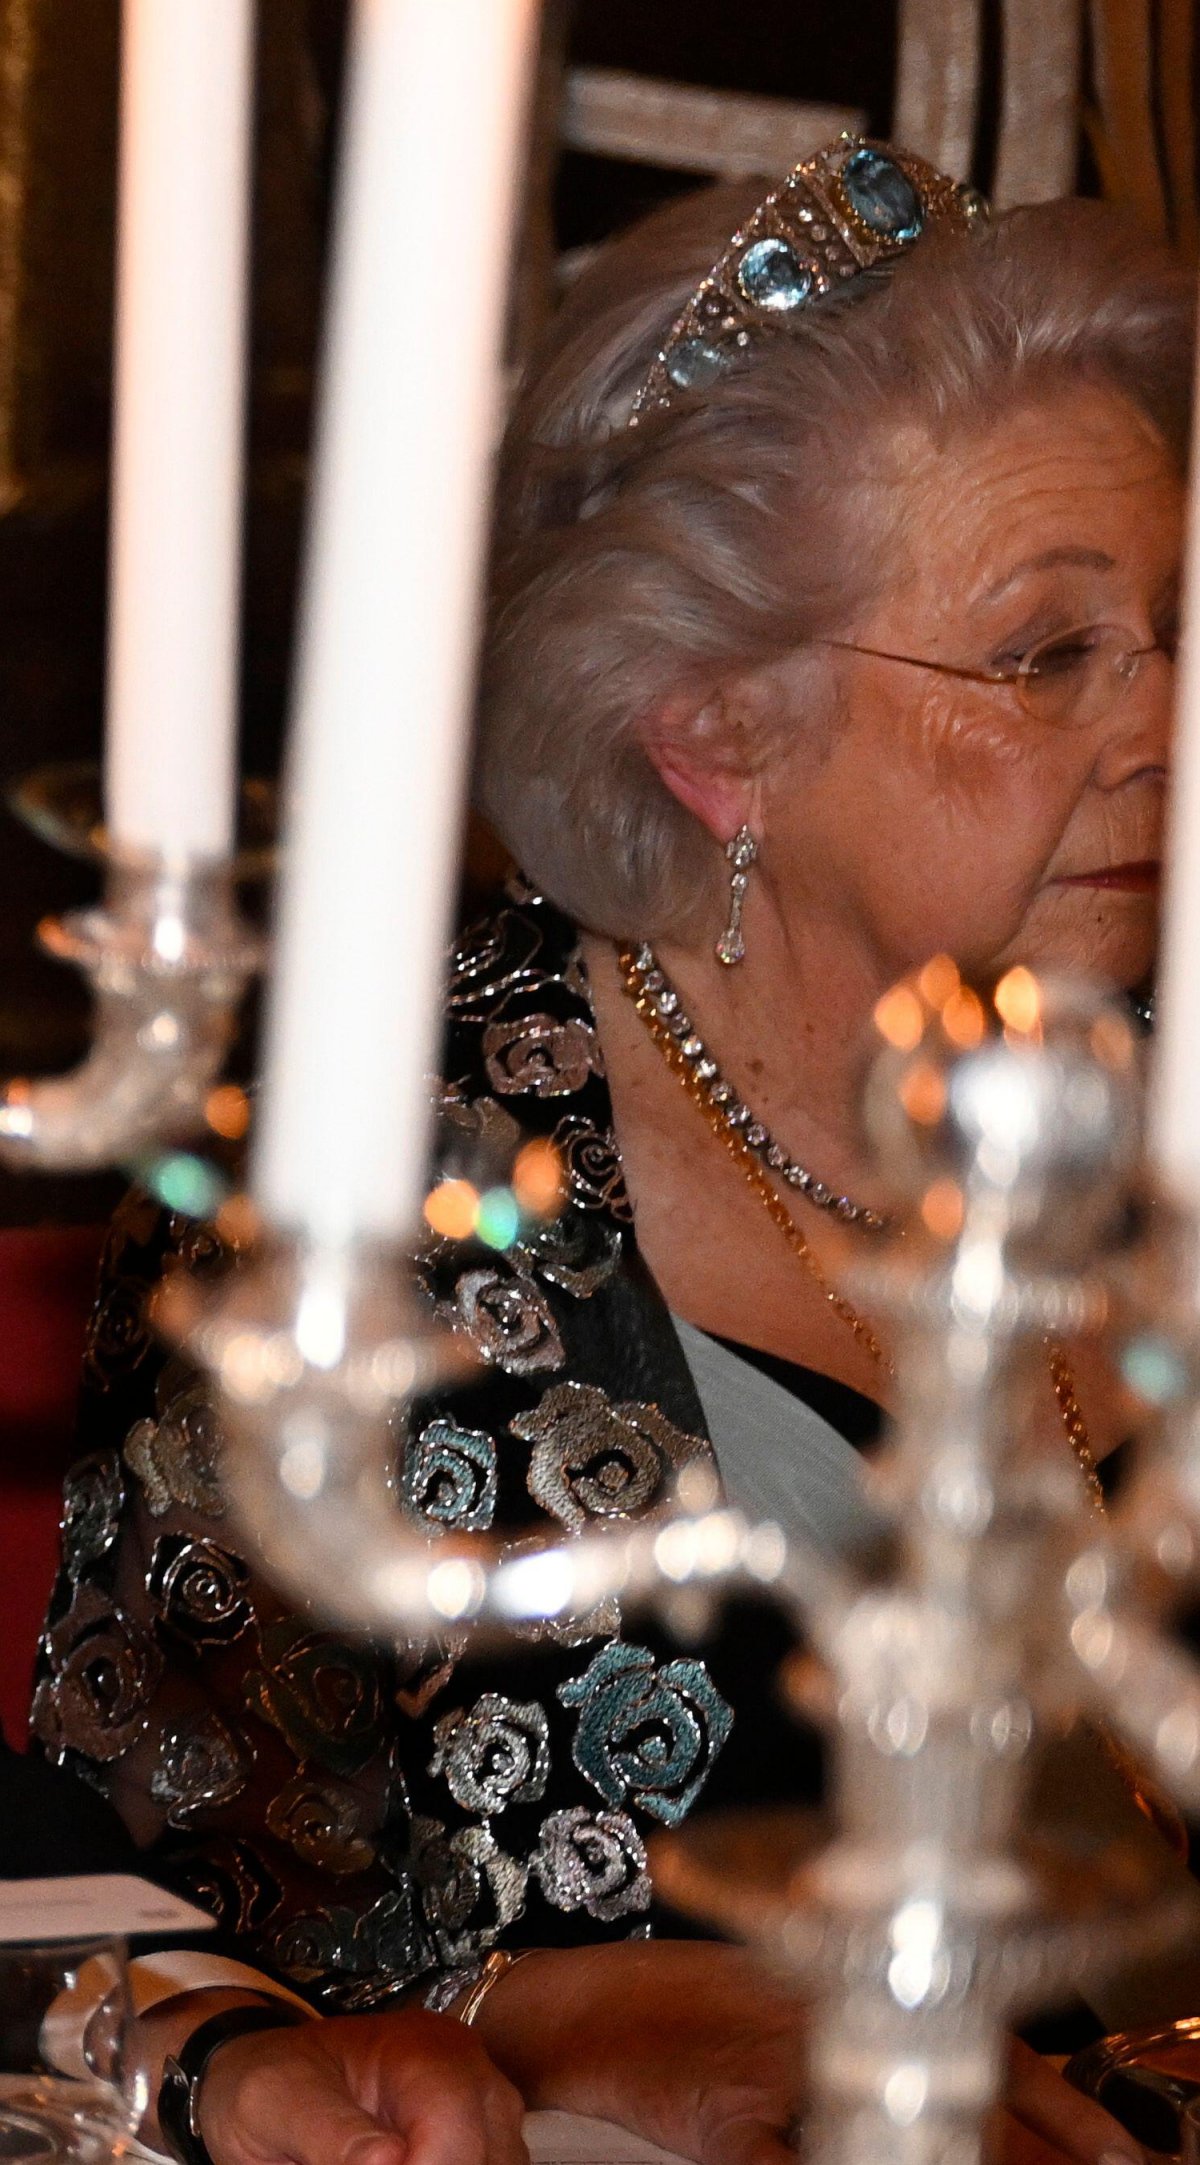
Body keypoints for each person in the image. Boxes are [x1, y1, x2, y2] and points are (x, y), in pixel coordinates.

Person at [30, 138, 1190, 2164]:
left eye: (1182, 622)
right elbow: (150, 1910)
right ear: (714, 738)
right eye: (1048, 653)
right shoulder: (374, 1184)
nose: (1163, 721)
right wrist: (527, 2019)